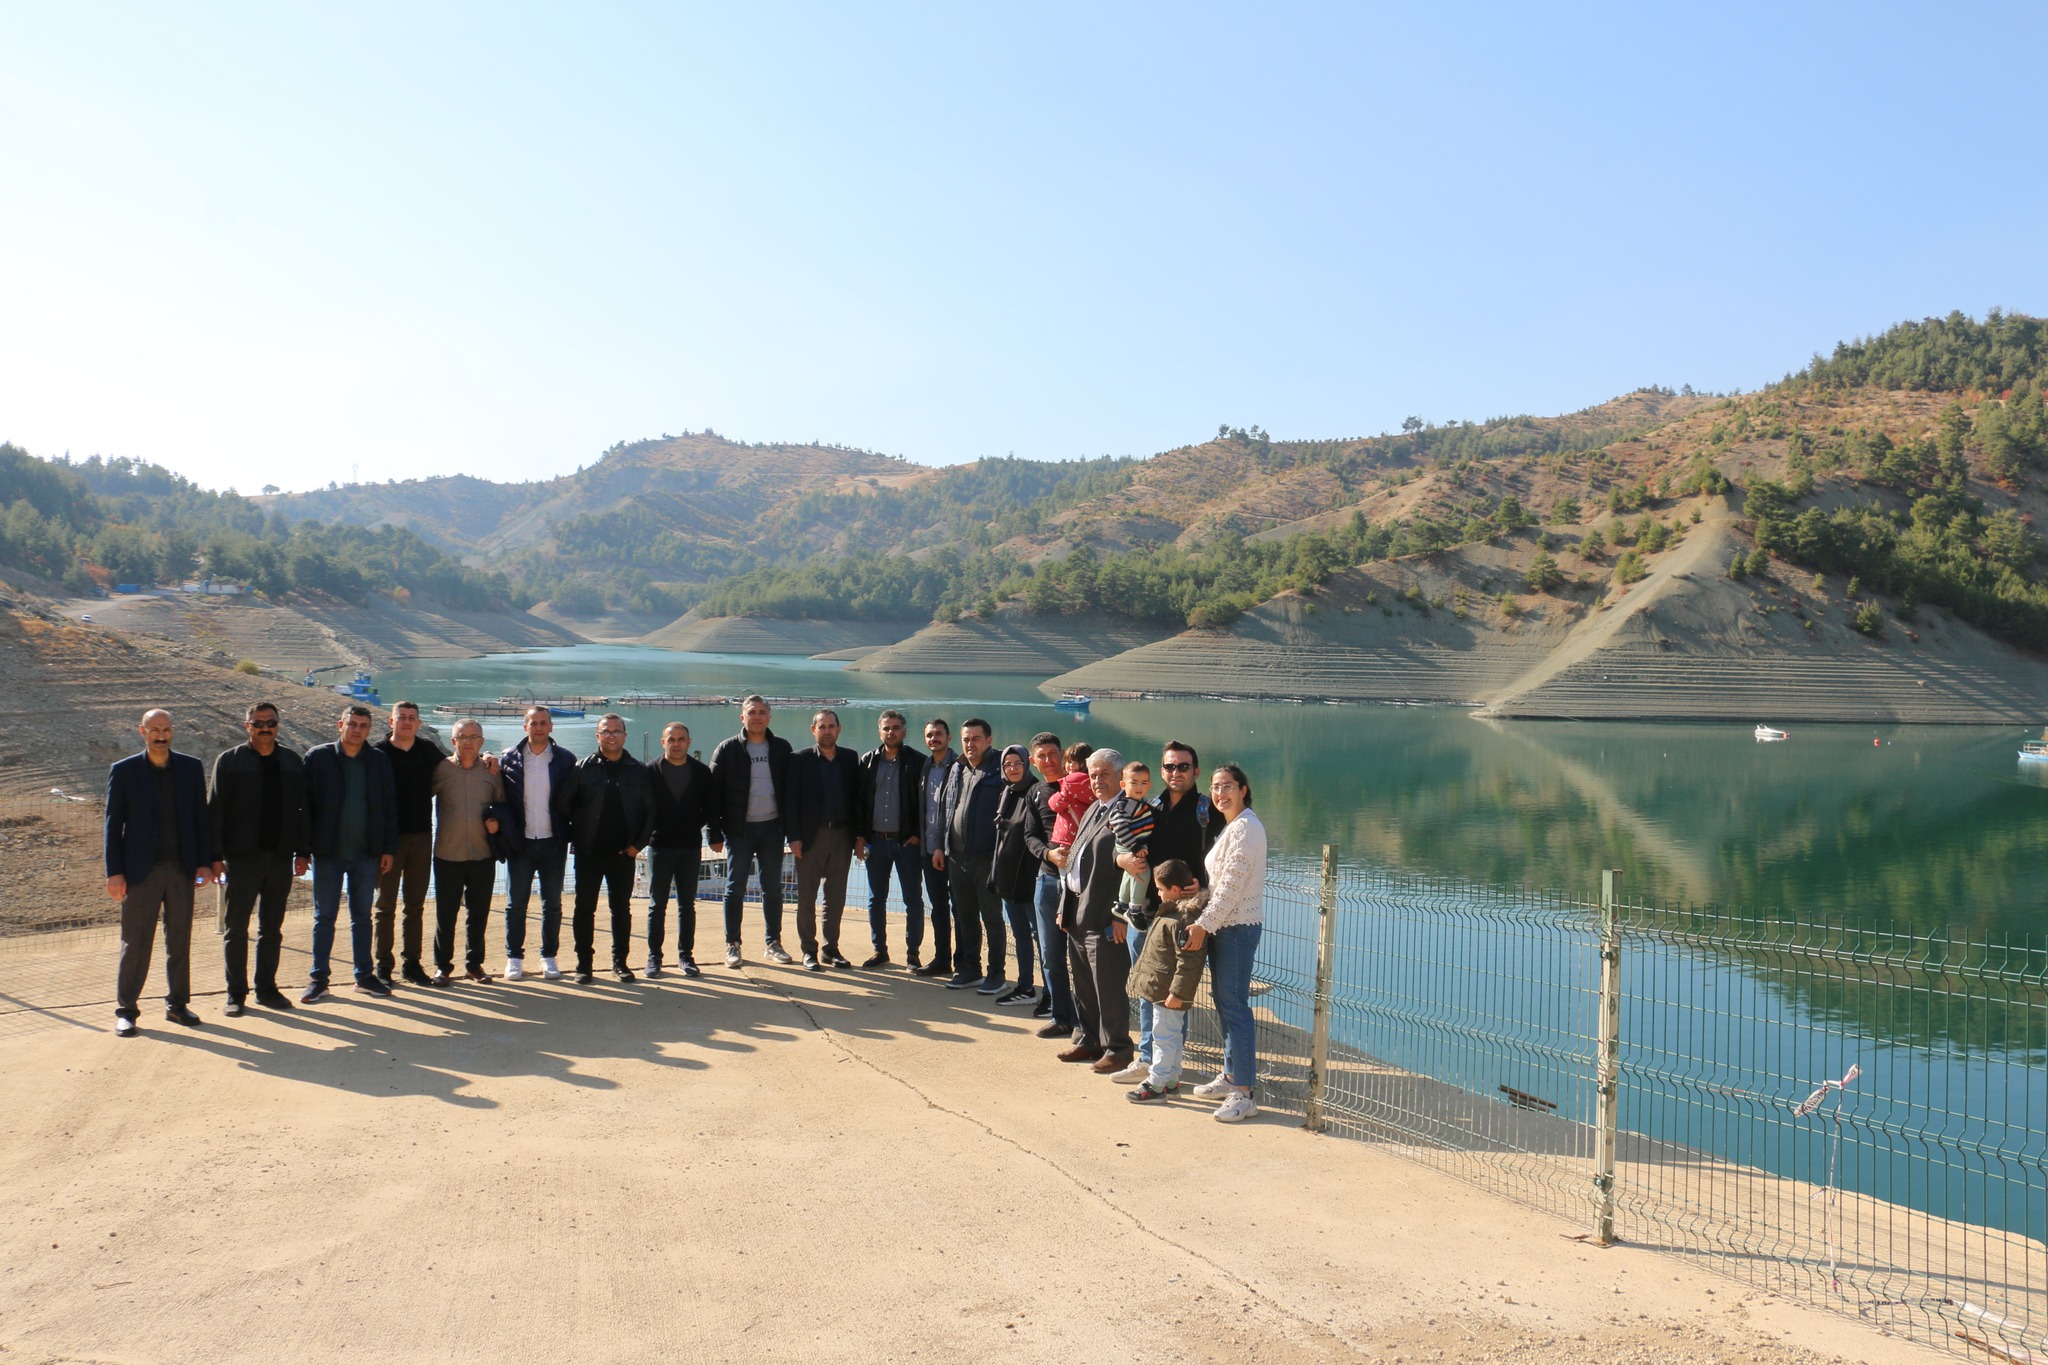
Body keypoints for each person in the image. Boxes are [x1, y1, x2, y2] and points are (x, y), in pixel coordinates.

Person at [104, 708, 217, 1036]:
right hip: (140, 873)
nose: (161, 735)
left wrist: (204, 863)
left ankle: (178, 1005)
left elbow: (200, 818)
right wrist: (115, 872)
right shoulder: (123, 771)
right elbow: (113, 825)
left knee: (179, 940)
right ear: (142, 731)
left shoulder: (190, 768)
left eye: (166, 729)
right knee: (136, 942)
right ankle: (127, 1011)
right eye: (154, 729)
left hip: (181, 869)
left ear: (173, 731)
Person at [209, 701, 310, 1016]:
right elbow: (215, 812)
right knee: (236, 929)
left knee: (272, 928)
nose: (265, 728)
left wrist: (303, 852)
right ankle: (235, 994)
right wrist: (215, 857)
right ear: (247, 726)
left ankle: (266, 989)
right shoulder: (228, 762)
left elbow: (303, 811)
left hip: (280, 859)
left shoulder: (292, 762)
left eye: (271, 722)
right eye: (258, 723)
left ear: (278, 725)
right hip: (241, 860)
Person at [1185, 763, 1268, 1123]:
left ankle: (1245, 1094)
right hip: (1225, 925)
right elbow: (1221, 883)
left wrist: (1202, 925)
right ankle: (1232, 1075)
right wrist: (1200, 897)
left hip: (1236, 928)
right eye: (1216, 787)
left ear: (1243, 789)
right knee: (1225, 1004)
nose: (1221, 793)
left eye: (1228, 786)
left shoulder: (1247, 828)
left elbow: (1233, 888)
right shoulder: (1233, 827)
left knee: (1235, 1008)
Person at [302, 705, 399, 1003]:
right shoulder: (318, 758)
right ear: (340, 724)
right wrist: (302, 850)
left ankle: (365, 976)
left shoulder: (379, 761)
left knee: (362, 917)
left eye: (363, 725)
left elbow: (388, 808)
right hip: (328, 854)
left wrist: (387, 849)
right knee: (324, 917)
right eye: (352, 724)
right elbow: (305, 807)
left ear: (369, 729)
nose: (357, 730)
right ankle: (319, 979)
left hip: (366, 854)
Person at [1052, 747, 1133, 1071]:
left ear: (1120, 777)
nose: (1098, 781)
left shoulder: (1126, 813)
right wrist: (1064, 907)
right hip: (1078, 913)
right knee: (1084, 984)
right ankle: (1089, 1040)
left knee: (1108, 986)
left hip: (1104, 916)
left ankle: (1118, 1048)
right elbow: (1074, 860)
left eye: (1104, 775)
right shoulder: (1094, 809)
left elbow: (1133, 870)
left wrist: (1119, 915)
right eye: (1093, 775)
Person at [560, 713, 654, 984]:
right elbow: (563, 805)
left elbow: (651, 811)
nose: (611, 735)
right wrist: (576, 836)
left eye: (617, 731)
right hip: (589, 853)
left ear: (625, 735)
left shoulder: (638, 770)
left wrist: (638, 845)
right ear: (598, 736)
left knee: (621, 910)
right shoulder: (582, 769)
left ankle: (620, 963)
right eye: (606, 731)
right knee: (583, 909)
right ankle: (584, 965)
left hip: (624, 854)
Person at [709, 695, 794, 968]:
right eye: (751, 712)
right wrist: (714, 832)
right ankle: (732, 944)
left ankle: (773, 943)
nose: (756, 717)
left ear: (769, 717)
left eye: (761, 712)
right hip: (739, 829)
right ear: (742, 717)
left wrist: (792, 831)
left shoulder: (781, 748)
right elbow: (713, 795)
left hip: (772, 827)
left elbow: (791, 794)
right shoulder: (726, 750)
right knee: (735, 888)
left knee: (773, 888)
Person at [500, 706, 576, 981]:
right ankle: (514, 958)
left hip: (553, 843)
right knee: (516, 904)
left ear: (551, 727)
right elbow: (498, 797)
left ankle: (549, 957)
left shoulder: (565, 759)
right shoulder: (508, 758)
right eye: (534, 723)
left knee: (552, 904)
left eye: (544, 723)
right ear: (525, 727)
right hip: (520, 844)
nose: (539, 728)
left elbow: (574, 801)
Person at [1124, 858, 1209, 1103]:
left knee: (1164, 1036)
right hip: (1161, 989)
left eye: (1161, 889)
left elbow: (1189, 962)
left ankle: (1157, 1083)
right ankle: (1171, 1079)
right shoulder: (1169, 913)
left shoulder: (1182, 919)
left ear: (1175, 890)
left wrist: (1178, 993)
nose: (1158, 893)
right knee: (1168, 1035)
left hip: (1168, 993)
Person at [787, 709, 865, 971]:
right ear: (813, 730)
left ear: (839, 729)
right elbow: (792, 803)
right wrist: (794, 837)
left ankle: (831, 949)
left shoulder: (849, 758)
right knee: (806, 898)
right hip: (811, 837)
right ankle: (808, 949)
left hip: (842, 836)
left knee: (835, 897)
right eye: (822, 727)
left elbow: (857, 800)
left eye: (831, 726)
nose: (827, 731)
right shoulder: (799, 760)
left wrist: (858, 836)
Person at [428, 719, 504, 985]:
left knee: (478, 914)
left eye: (474, 737)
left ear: (482, 742)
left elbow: (503, 806)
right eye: (462, 737)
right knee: (445, 915)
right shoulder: (441, 769)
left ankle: (474, 965)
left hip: (483, 855)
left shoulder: (491, 772)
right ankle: (443, 967)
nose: (468, 741)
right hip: (448, 854)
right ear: (453, 742)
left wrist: (498, 822)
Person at [374, 700, 444, 988]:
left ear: (418, 723)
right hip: (388, 841)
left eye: (411, 718)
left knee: (415, 906)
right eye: (401, 717)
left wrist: (488, 757)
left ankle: (411, 964)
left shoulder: (427, 750)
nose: (406, 722)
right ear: (391, 721)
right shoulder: (377, 753)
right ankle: (382, 967)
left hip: (421, 837)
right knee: (384, 906)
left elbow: (455, 766)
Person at [934, 717, 1005, 993]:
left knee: (992, 918)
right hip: (957, 857)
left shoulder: (1001, 769)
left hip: (987, 858)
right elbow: (945, 810)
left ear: (988, 740)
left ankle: (996, 974)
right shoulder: (957, 768)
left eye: (976, 738)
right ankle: (970, 970)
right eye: (966, 739)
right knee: (965, 916)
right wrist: (940, 846)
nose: (970, 744)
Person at [645, 722, 721, 979]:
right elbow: (642, 809)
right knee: (657, 905)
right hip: (659, 846)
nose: (676, 744)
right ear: (662, 742)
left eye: (681, 739)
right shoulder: (650, 772)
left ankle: (685, 956)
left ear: (689, 742)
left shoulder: (701, 772)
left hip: (689, 847)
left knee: (687, 905)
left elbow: (711, 808)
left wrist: (714, 836)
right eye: (671, 739)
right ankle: (654, 957)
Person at [1102, 760, 1159, 1085]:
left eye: (1143, 782)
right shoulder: (1124, 806)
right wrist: (1135, 848)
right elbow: (1121, 829)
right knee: (1139, 873)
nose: (1138, 787)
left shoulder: (1148, 806)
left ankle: (1125, 904)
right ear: (1123, 783)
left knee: (1132, 876)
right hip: (1132, 853)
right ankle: (1130, 907)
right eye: (1133, 782)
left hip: (1133, 852)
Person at [856, 710, 927, 970]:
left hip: (906, 843)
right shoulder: (868, 761)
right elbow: (860, 802)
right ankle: (880, 950)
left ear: (904, 731)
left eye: (896, 728)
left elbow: (926, 803)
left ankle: (913, 954)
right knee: (876, 900)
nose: (891, 732)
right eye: (886, 728)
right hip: (876, 841)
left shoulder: (919, 762)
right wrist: (860, 836)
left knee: (913, 899)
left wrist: (918, 834)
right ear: (880, 731)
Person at [1020, 732, 1076, 1036]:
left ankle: (1084, 1021)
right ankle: (1060, 1016)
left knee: (1080, 955)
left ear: (1064, 753)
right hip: (1048, 879)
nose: (1048, 760)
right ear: (1033, 761)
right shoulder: (1036, 792)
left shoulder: (1082, 784)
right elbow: (1030, 836)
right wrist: (1049, 854)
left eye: (1053, 754)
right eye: (1041, 756)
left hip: (1080, 883)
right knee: (1051, 953)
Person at [987, 744, 1041, 1007]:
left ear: (1027, 764)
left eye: (1018, 763)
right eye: (1008, 764)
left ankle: (1053, 994)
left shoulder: (1036, 792)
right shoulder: (1007, 793)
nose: (1013, 769)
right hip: (1008, 878)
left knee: (1040, 937)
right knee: (1020, 934)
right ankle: (1025, 986)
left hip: (1030, 880)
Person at [909, 718, 956, 978]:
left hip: (951, 851)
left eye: (938, 734)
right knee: (938, 906)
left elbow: (952, 813)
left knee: (960, 908)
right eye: (929, 735)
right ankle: (942, 958)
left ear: (949, 737)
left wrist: (940, 846)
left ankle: (966, 961)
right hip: (928, 850)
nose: (933, 739)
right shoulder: (926, 765)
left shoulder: (959, 767)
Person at [1048, 741, 1095, 847]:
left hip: (1068, 836)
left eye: (1076, 762)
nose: (1071, 765)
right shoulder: (1093, 783)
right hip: (1087, 834)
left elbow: (1056, 804)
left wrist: (1053, 798)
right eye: (1069, 761)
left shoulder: (1070, 782)